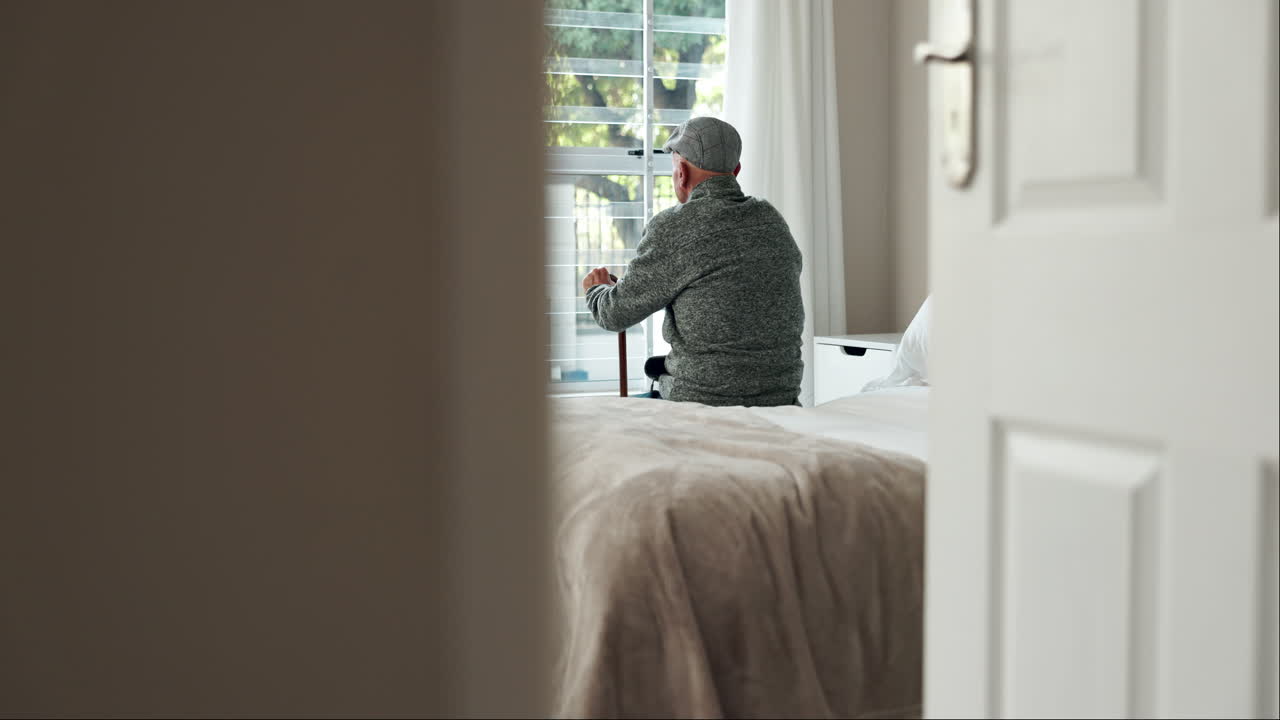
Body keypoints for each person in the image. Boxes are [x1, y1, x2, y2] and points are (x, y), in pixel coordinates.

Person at [581, 117, 804, 407]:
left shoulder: (675, 226)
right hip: (782, 400)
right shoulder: (771, 220)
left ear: (682, 172)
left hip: (704, 402)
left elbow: (614, 314)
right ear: (735, 171)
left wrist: (596, 290)